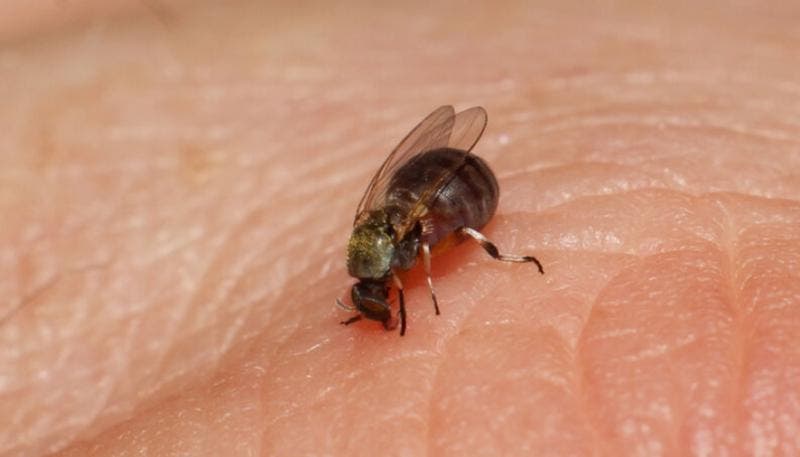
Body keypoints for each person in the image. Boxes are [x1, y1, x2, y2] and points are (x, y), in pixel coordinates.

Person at [2, 1, 799, 455]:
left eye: (379, 292)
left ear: (387, 269)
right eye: (379, 295)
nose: (382, 298)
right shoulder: (371, 248)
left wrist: (451, 265)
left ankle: (499, 249)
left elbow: (418, 217)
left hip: (459, 186)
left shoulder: (406, 249)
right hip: (429, 185)